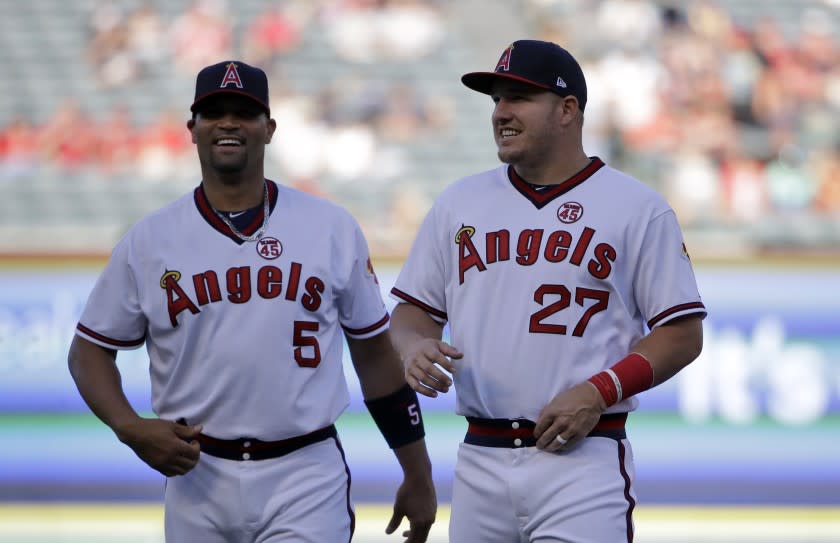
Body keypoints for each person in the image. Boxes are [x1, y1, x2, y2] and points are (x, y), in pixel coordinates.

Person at [68, 60, 436, 543]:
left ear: (269, 129)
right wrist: (129, 426)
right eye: (213, 112)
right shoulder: (150, 240)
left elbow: (375, 358)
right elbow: (88, 351)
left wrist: (418, 471)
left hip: (304, 470)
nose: (227, 122)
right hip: (197, 472)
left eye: (243, 112)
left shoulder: (329, 227)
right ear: (192, 129)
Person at [389, 40, 706, 542]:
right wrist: (412, 346)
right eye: (496, 99)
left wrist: (599, 390)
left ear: (567, 109)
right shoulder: (459, 202)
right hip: (480, 457)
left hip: (583, 459)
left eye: (519, 97)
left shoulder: (636, 207)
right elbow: (410, 314)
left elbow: (682, 334)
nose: (501, 112)